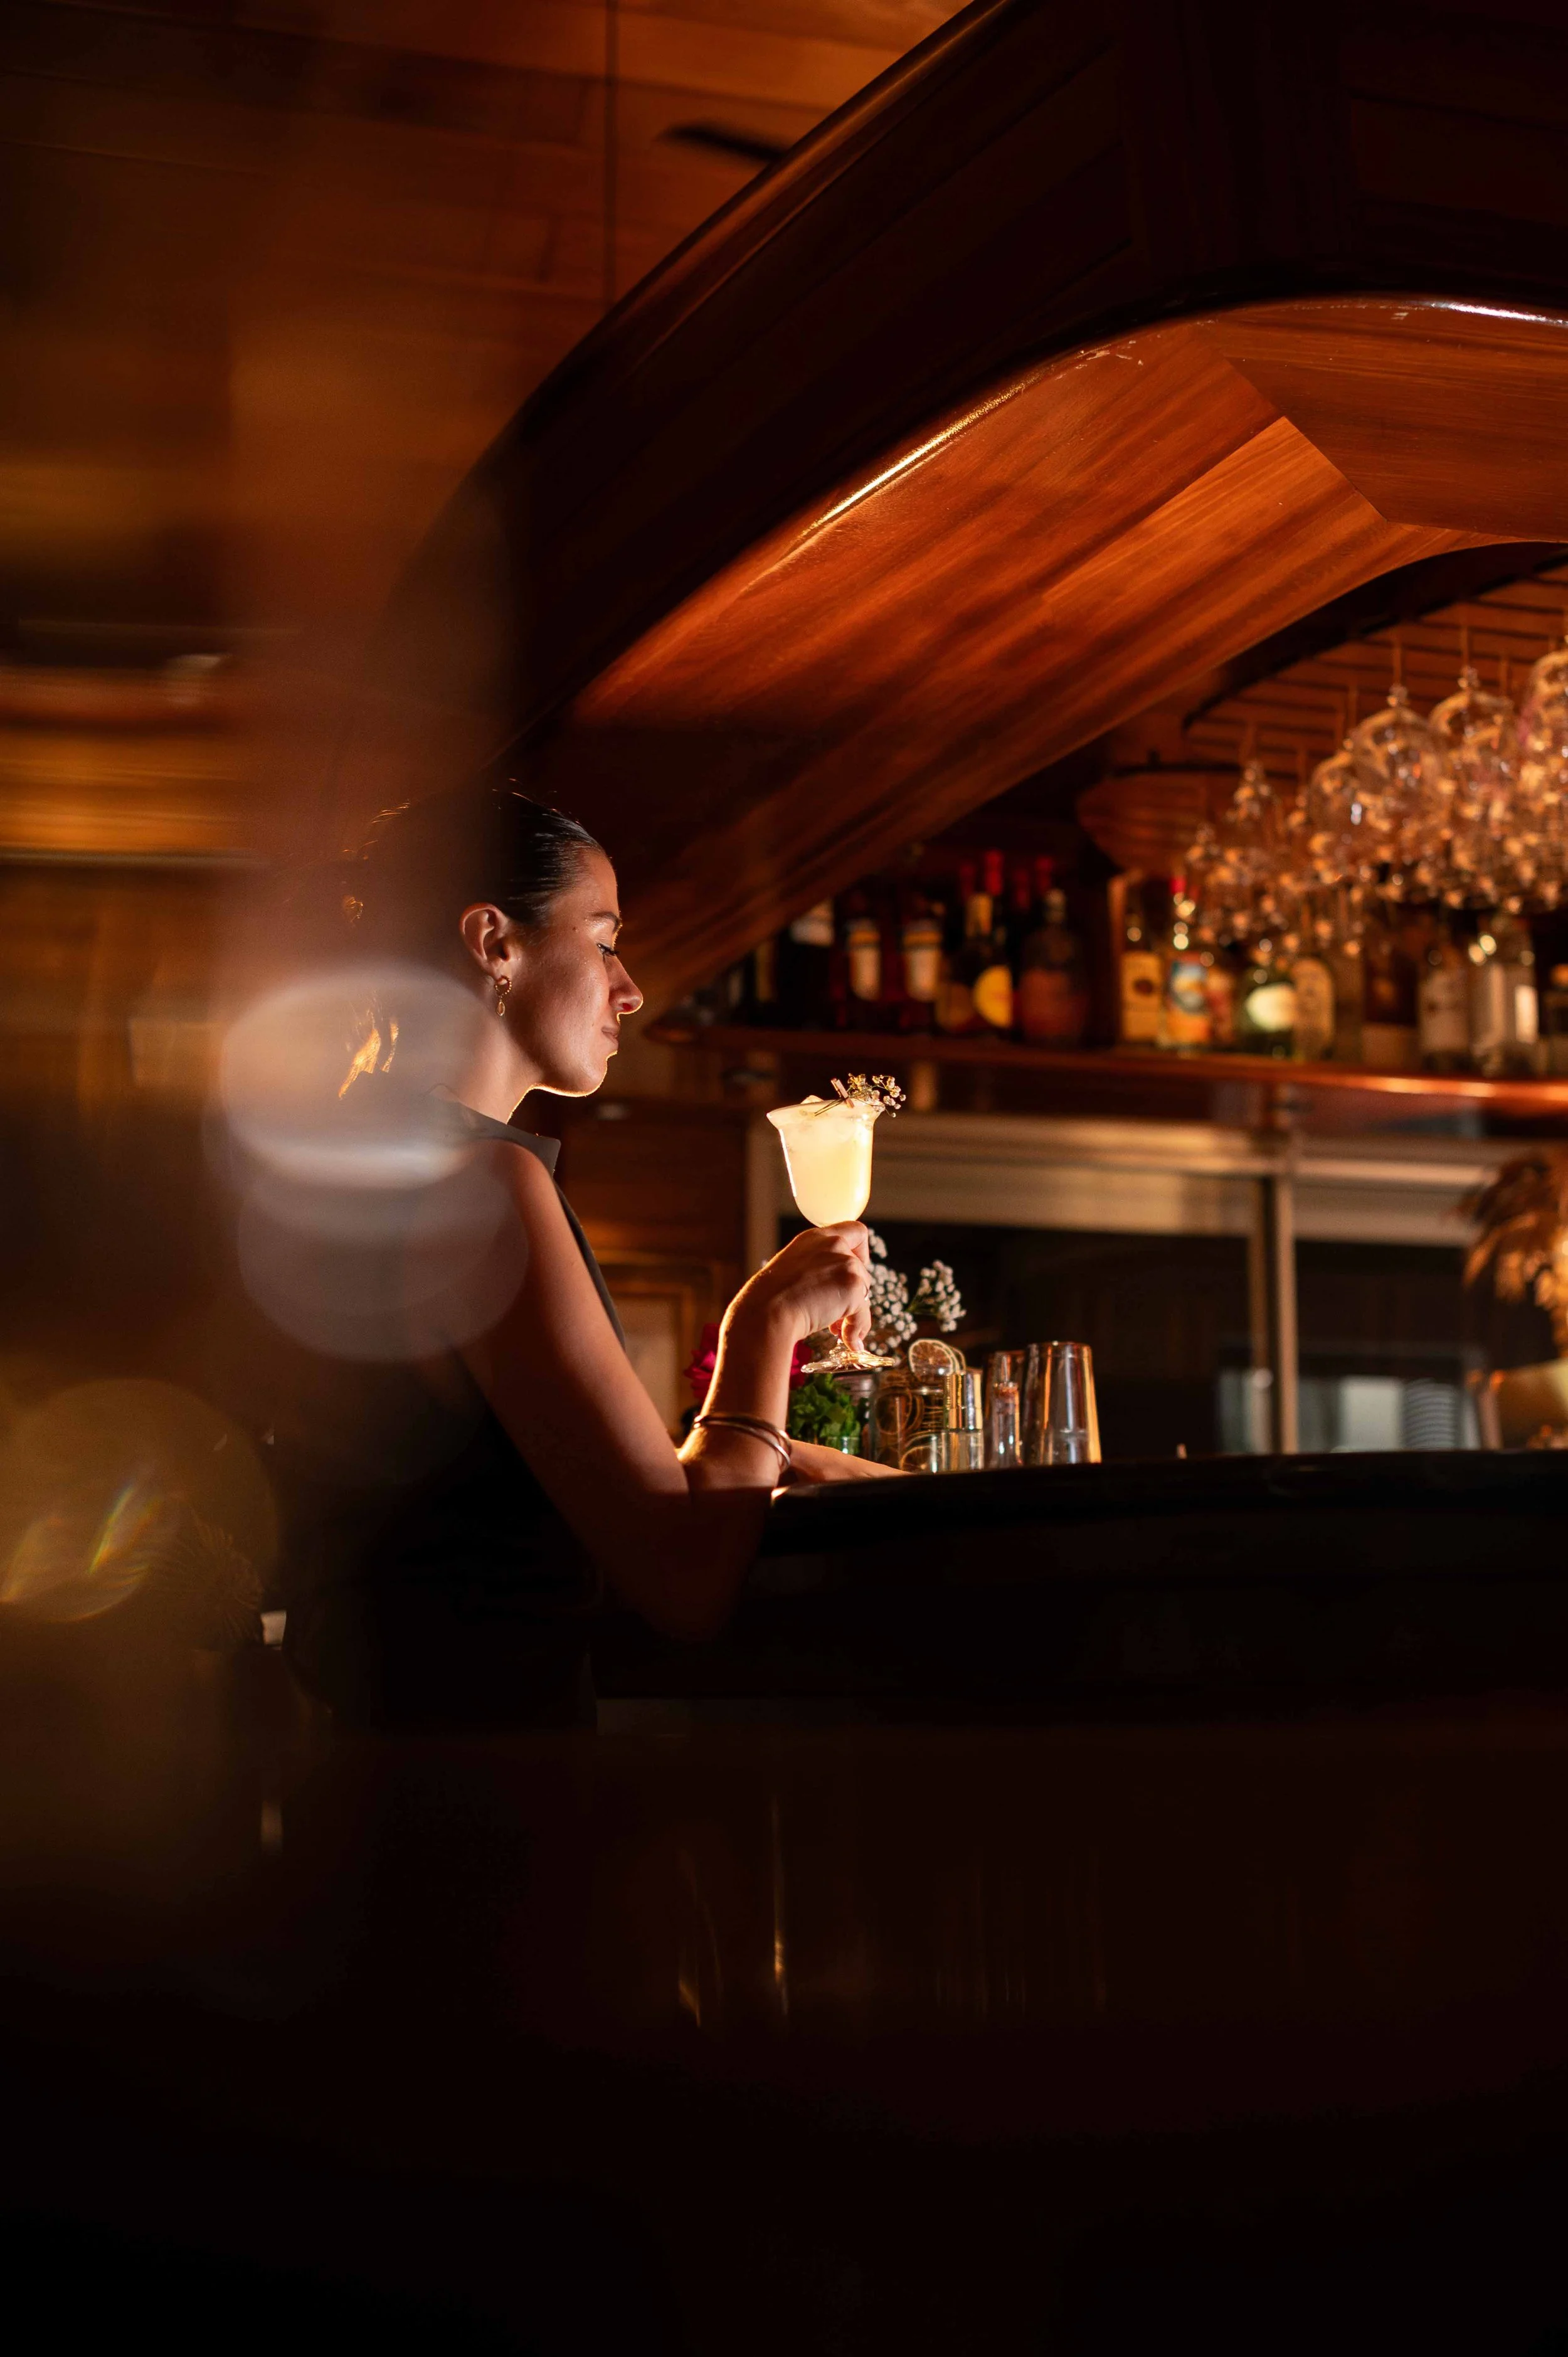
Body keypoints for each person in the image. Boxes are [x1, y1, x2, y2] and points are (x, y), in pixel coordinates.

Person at [275, 780, 891, 1729]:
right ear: (495, 943)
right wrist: (764, 1321)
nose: (630, 986)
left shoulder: (345, 1166)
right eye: (604, 940)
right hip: (482, 1783)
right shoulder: (482, 1186)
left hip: (361, 1772)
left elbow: (476, 1502)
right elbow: (682, 1581)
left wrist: (769, 1453)